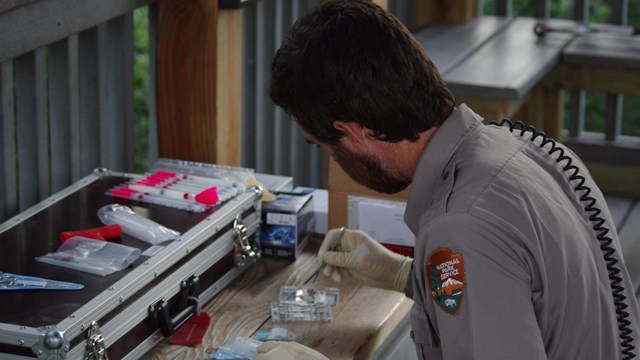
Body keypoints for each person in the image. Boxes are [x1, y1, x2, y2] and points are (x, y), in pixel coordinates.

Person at [259, 0, 640, 359]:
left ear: (354, 132)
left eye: (321, 145)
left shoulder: (463, 225)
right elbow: (519, 290)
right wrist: (404, 274)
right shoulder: (521, 150)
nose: (332, 157)